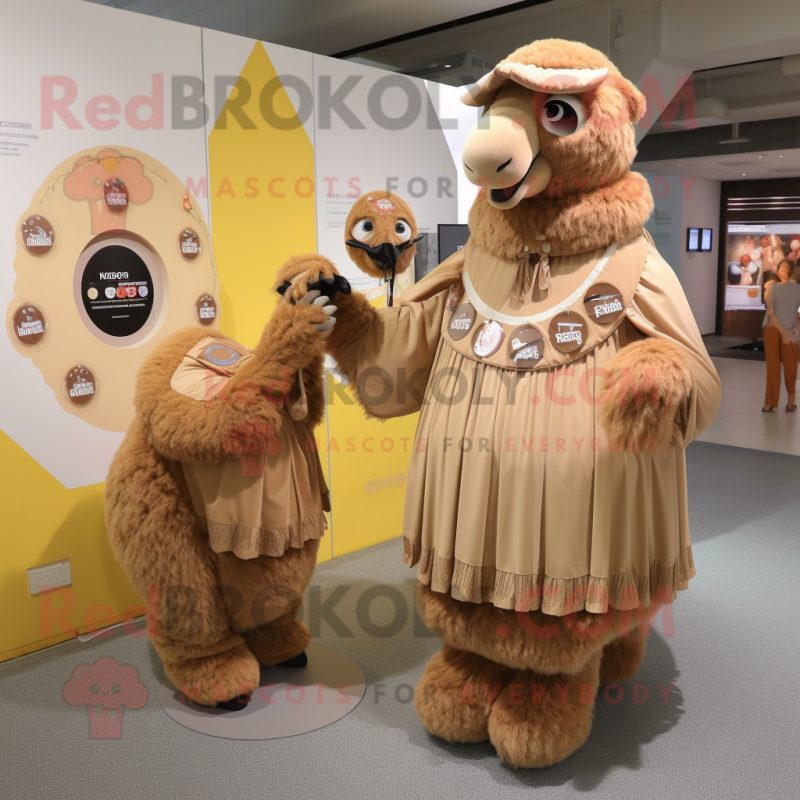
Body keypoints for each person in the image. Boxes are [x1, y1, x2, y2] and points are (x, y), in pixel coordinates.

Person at [763, 259, 800, 412]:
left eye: (785, 268)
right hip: (772, 328)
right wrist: (784, 333)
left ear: (790, 271)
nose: (781, 271)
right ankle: (771, 403)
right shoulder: (773, 287)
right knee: (772, 366)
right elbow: (771, 312)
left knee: (791, 365)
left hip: (791, 330)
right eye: (780, 268)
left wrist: (793, 330)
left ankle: (791, 401)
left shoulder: (797, 288)